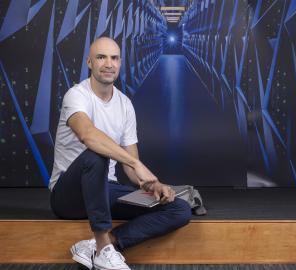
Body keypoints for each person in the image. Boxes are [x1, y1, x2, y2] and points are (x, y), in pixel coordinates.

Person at [49, 37, 191, 270]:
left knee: (179, 208)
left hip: (104, 190)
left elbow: (130, 168)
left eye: (114, 58)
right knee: (95, 154)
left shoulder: (125, 105)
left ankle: (101, 246)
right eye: (101, 57)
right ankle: (104, 247)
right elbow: (88, 135)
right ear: (89, 63)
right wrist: (135, 163)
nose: (109, 64)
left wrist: (153, 184)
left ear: (120, 62)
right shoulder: (76, 95)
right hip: (68, 195)